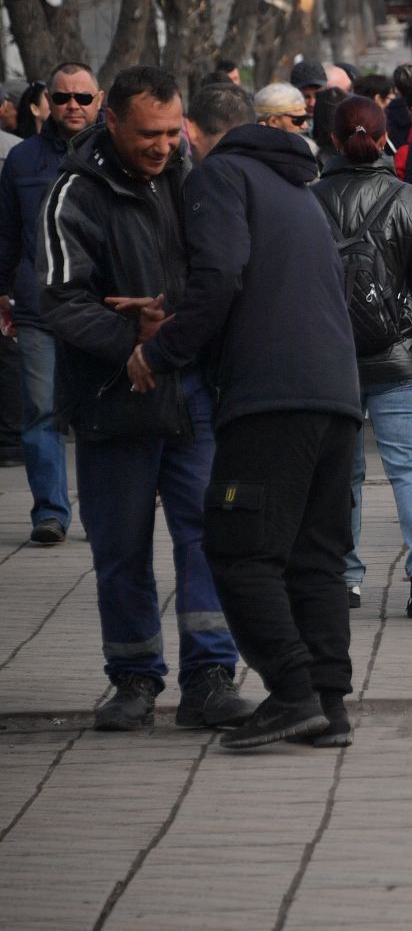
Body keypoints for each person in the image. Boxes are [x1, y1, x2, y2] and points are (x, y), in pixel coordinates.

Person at [130, 76, 363, 749]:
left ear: (195, 136)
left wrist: (162, 349)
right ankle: (328, 704)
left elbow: (222, 274)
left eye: (180, 139)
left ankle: (290, 690)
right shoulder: (295, 186)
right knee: (316, 557)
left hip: (269, 396)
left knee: (238, 549)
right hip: (335, 394)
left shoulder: (220, 177)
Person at [37, 70, 253, 733]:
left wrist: (175, 324)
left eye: (171, 132)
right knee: (121, 547)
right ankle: (132, 677)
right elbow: (60, 302)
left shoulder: (199, 179)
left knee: (207, 537)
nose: (163, 146)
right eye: (148, 135)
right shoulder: (76, 193)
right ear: (111, 123)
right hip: (113, 398)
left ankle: (209, 677)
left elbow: (226, 274)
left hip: (194, 393)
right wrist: (133, 338)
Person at [312, 96, 412, 617]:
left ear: (333, 140)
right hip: (402, 358)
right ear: (383, 141)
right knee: (411, 466)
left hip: (331, 360)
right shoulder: (408, 199)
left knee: (341, 472)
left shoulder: (308, 199)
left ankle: (345, 577)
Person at [0, 62, 100, 546]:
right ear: (46, 103)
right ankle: (50, 513)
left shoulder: (111, 155)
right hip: (37, 304)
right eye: (63, 98)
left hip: (98, 306)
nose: (73, 107)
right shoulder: (21, 160)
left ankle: (104, 511)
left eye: (83, 98)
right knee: (40, 412)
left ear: (99, 100)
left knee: (97, 413)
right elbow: (6, 231)